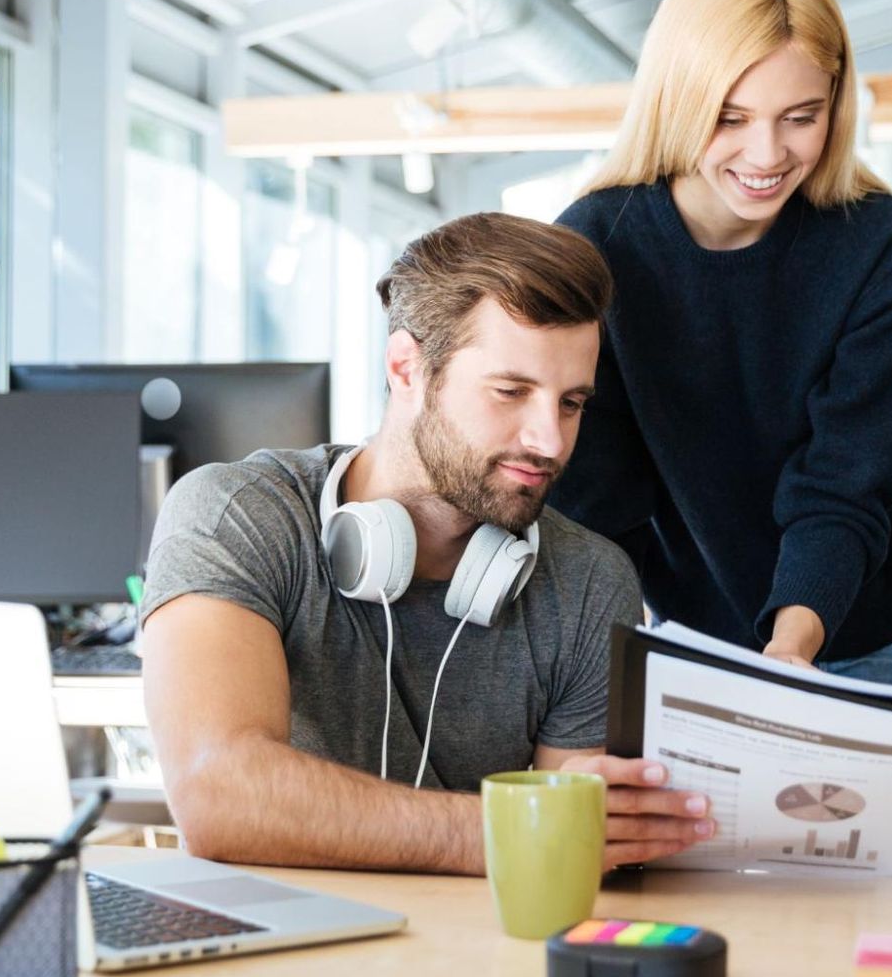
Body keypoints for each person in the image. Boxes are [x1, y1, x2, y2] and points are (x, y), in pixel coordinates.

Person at [138, 213, 712, 874]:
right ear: (406, 367)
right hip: (273, 958)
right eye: (511, 392)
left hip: (475, 961)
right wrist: (504, 831)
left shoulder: (589, 581)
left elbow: (574, 853)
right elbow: (217, 795)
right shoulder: (237, 514)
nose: (550, 442)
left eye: (571, 403)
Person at [550, 0, 892, 685]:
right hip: (687, 635)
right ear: (677, 100)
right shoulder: (595, 249)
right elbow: (596, 502)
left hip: (871, 633)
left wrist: (791, 654)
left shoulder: (887, 251)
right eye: (729, 118)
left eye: (801, 116)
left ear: (836, 100)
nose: (765, 155)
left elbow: (844, 487)